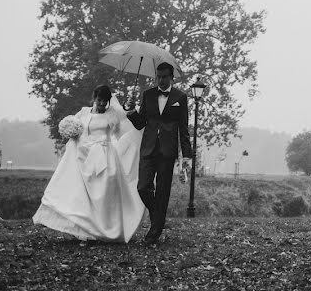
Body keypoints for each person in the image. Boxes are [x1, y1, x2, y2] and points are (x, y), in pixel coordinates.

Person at [33, 85, 145, 243]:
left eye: (104, 102)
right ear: (94, 99)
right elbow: (78, 131)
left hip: (106, 157)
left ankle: (107, 228)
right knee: (84, 193)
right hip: (84, 156)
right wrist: (71, 134)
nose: (101, 104)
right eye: (99, 100)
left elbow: (120, 130)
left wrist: (130, 106)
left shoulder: (112, 114)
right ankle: (87, 228)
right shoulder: (84, 113)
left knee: (105, 191)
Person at [126, 62, 192, 243]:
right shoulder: (148, 95)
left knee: (162, 192)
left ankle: (153, 233)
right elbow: (140, 123)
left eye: (164, 76)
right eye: (158, 76)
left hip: (167, 150)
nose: (161, 80)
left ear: (172, 77)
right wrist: (130, 110)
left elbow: (183, 128)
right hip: (148, 148)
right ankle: (158, 217)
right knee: (143, 187)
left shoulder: (181, 97)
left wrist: (186, 155)